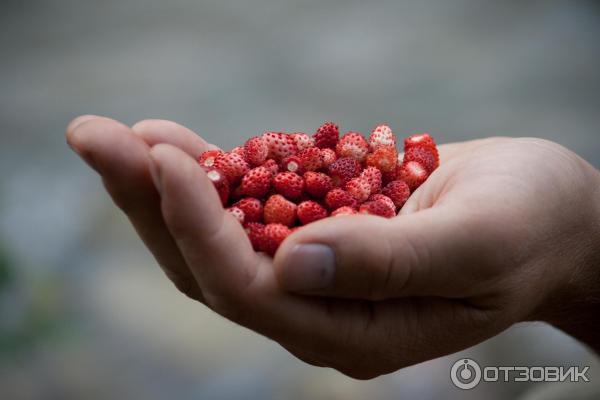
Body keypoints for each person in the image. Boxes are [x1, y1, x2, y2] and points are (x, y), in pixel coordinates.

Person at [66, 115, 599, 379]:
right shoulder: (307, 178)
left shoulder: (361, 177)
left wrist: (580, 243)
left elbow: (339, 180)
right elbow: (297, 181)